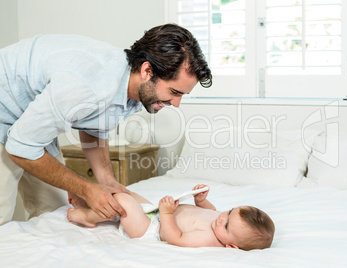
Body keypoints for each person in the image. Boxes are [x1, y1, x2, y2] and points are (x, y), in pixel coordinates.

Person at [0, 24, 212, 225]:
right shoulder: (89, 87)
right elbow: (20, 148)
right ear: (147, 71)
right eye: (174, 92)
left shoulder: (135, 91)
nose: (176, 104)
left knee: (55, 212)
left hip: (30, 120)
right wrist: (86, 189)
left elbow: (93, 124)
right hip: (5, 110)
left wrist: (106, 180)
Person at [67, 184, 275, 250]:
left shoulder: (209, 239)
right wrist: (201, 201)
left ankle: (86, 216)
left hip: (150, 230)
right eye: (229, 211)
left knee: (122, 201)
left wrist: (166, 213)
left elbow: (174, 238)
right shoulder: (218, 222)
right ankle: (89, 204)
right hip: (156, 214)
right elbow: (212, 211)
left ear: (231, 247)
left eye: (227, 225)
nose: (222, 218)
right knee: (127, 192)